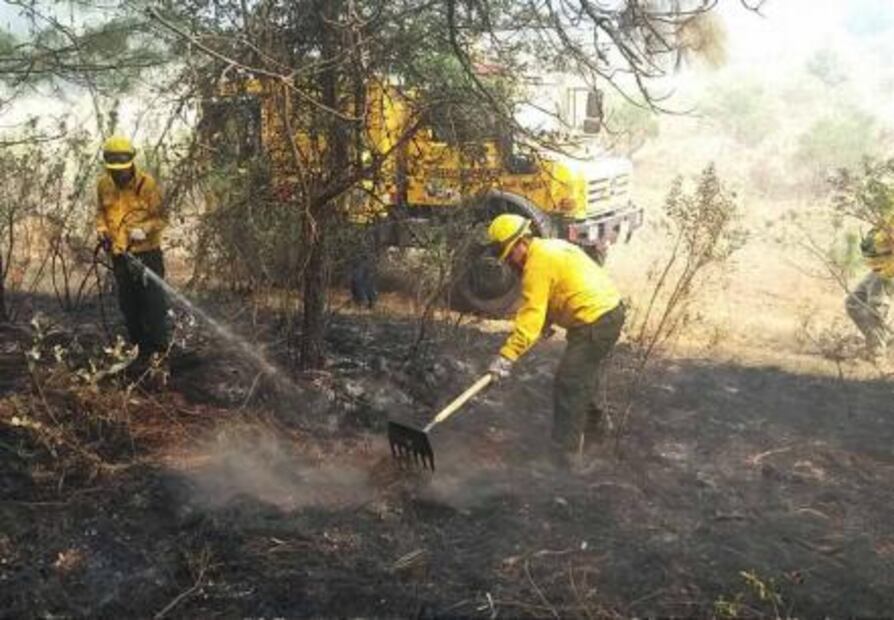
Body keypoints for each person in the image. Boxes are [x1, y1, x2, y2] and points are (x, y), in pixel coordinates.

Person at [485, 213, 625, 468]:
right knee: (582, 375)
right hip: (608, 312)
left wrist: (507, 356)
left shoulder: (536, 265)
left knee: (570, 382)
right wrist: (546, 323)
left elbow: (531, 315)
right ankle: (598, 435)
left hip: (595, 319)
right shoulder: (549, 248)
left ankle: (564, 458)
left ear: (521, 243)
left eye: (510, 255)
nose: (511, 263)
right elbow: (558, 290)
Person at [95, 135, 169, 366]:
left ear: (131, 163)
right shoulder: (103, 184)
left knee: (154, 304)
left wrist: (144, 229)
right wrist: (102, 231)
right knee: (129, 306)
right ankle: (139, 351)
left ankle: (160, 353)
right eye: (114, 170)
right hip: (120, 256)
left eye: (122, 170)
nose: (119, 175)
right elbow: (101, 213)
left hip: (147, 255)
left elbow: (162, 218)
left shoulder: (147, 185)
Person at [846, 221, 894, 366]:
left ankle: (878, 353)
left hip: (888, 267)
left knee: (876, 307)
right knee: (853, 302)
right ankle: (883, 341)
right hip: (882, 263)